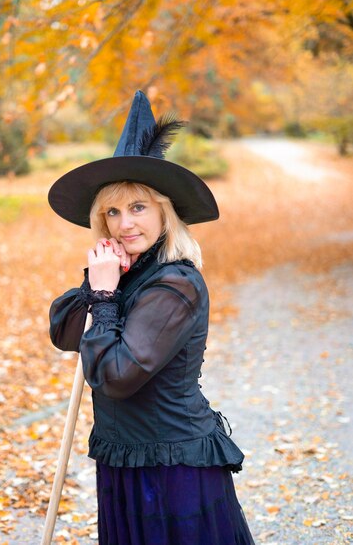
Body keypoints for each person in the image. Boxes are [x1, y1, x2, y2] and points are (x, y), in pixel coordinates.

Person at [48, 91, 255, 545]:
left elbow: (117, 375)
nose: (125, 224)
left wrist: (105, 295)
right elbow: (64, 331)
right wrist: (99, 283)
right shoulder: (127, 275)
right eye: (113, 212)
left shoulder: (175, 286)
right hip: (124, 461)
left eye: (138, 207)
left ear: (165, 211)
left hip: (173, 469)